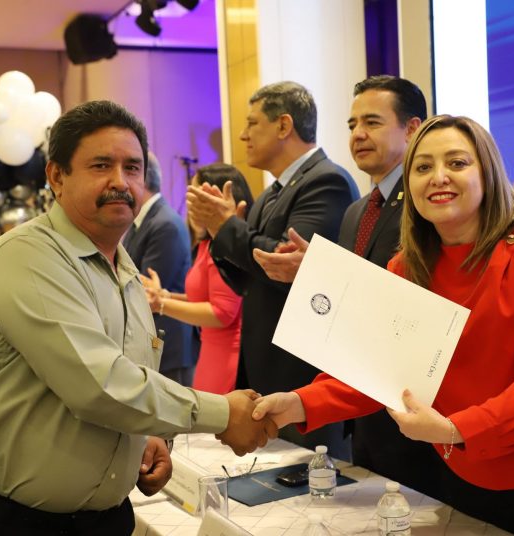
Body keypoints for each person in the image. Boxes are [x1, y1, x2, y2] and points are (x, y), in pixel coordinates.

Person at [0, 100, 277, 536]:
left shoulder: (125, 272)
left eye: (132, 168)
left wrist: (145, 439)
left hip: (99, 521)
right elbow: (98, 385)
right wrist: (223, 413)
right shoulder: (27, 256)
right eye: (101, 165)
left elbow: (128, 379)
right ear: (56, 177)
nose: (120, 182)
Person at [252, 115, 514, 534]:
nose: (438, 177)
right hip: (470, 476)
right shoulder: (407, 267)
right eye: (423, 167)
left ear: (488, 172)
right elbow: (381, 370)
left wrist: (458, 428)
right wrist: (299, 403)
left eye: (457, 163)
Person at [253, 76, 437, 492]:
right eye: (352, 125)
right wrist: (319, 275)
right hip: (361, 406)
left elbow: (409, 304)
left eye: (372, 122)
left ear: (412, 129)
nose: (358, 134)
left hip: (416, 410)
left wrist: (323, 273)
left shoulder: (426, 204)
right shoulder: (357, 210)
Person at [186, 81, 359, 459]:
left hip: (303, 374)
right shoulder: (270, 193)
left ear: (283, 125)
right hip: (268, 369)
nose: (243, 135)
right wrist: (220, 232)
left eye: (252, 123)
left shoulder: (325, 181)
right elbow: (247, 280)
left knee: (317, 478)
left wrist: (227, 227)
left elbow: (284, 267)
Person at [141, 164, 254, 394]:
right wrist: (165, 296)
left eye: (198, 198)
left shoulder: (225, 247)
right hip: (210, 355)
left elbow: (222, 313)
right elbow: (205, 299)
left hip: (226, 357)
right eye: (190, 197)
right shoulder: (206, 244)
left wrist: (161, 304)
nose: (191, 206)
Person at [122, 152, 195, 386]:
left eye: (127, 173)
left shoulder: (164, 224)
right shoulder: (143, 221)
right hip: (153, 339)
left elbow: (145, 288)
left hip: (169, 344)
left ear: (141, 179)